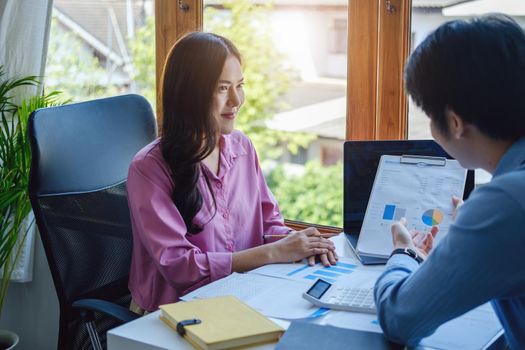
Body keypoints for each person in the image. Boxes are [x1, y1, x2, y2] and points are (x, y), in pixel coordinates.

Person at [127, 32, 337, 312]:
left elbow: (268, 222)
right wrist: (274, 252)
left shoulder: (242, 148)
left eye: (240, 85)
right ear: (189, 94)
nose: (237, 100)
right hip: (175, 312)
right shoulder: (149, 168)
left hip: (243, 294)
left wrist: (300, 243)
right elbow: (179, 267)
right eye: (222, 88)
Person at [374, 15, 525, 349]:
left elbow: (399, 318)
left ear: (455, 122)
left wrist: (403, 253)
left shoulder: (505, 203)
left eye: (429, 115)